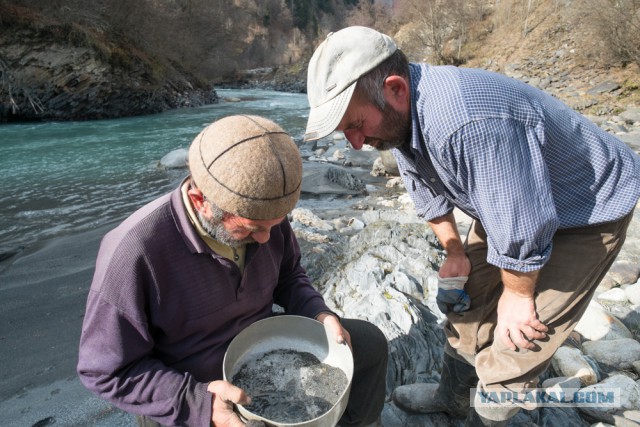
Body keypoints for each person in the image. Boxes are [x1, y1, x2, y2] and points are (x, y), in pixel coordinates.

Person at [304, 26, 640, 425]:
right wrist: (454, 252)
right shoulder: (401, 119)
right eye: (346, 132)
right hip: (507, 200)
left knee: (521, 336)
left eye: (355, 124)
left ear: (395, 88)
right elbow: (424, 189)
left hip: (586, 209)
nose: (355, 143)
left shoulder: (464, 121)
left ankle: (491, 410)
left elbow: (523, 222)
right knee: (464, 304)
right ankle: (454, 399)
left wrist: (518, 294)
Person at [77, 114, 387, 427]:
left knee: (370, 343)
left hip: (262, 348)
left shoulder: (266, 215)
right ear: (201, 201)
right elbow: (105, 371)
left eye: (275, 225)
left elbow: (290, 276)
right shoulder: (134, 252)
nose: (266, 238)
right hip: (189, 383)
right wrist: (199, 402)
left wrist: (320, 314)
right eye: (252, 229)